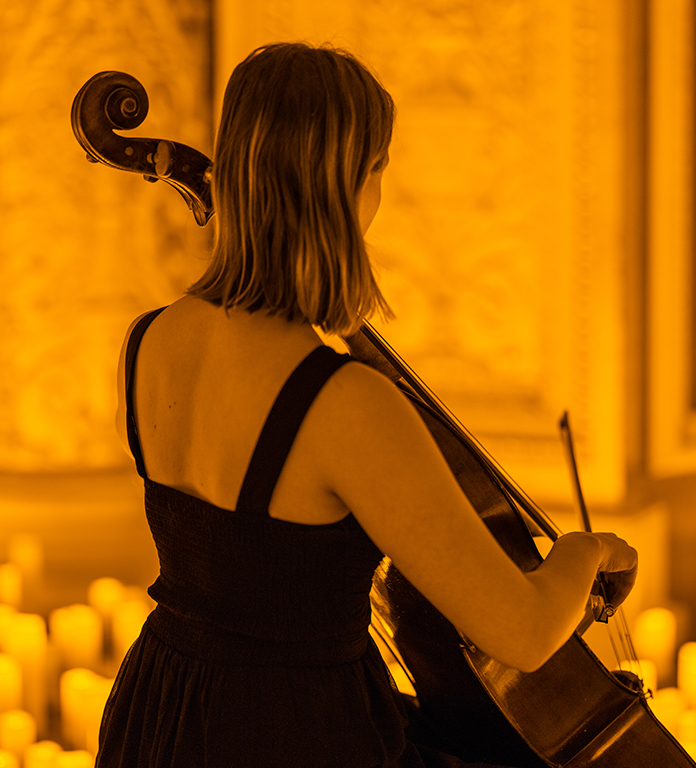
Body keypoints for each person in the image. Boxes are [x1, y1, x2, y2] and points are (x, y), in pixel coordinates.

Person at [95, 42, 638, 768]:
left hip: (164, 707)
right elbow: (526, 633)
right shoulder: (346, 405)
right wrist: (587, 550)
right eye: (378, 168)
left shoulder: (150, 341)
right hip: (295, 735)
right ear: (352, 183)